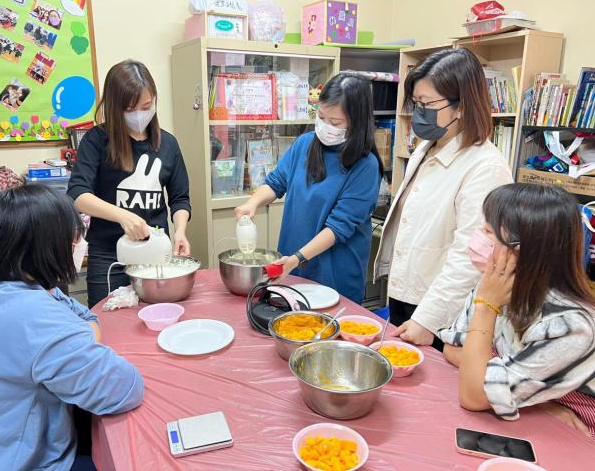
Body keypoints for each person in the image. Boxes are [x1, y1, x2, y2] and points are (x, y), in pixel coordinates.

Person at [0, 184, 144, 470]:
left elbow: (79, 314)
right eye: (74, 238)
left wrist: (82, 332)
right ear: (47, 247)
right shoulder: (33, 317)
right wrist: (85, 335)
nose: (78, 245)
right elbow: (124, 389)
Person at [374, 48, 512, 349]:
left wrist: (428, 319)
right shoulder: (427, 148)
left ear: (461, 106)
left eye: (426, 104)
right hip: (407, 292)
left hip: (442, 310)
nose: (418, 112)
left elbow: (469, 258)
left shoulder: (485, 168)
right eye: (416, 103)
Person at [440, 184, 595, 438]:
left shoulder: (570, 325)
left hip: (575, 437)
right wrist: (535, 400)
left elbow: (473, 395)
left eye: (488, 232)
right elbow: (452, 347)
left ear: (526, 250)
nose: (478, 237)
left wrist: (486, 308)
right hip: (527, 417)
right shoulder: (496, 282)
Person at [236, 73, 381, 303]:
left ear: (357, 122)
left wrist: (297, 258)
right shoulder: (305, 144)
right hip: (292, 266)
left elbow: (338, 228)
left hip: (335, 275)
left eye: (335, 123)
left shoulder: (366, 166)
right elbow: (276, 182)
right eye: (321, 117)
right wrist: (252, 202)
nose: (325, 126)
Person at [68, 60, 191, 307]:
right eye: (129, 109)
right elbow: (78, 194)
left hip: (156, 255)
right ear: (115, 108)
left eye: (146, 106)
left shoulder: (168, 144)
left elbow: (180, 199)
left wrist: (180, 231)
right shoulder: (96, 141)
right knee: (107, 319)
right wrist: (123, 216)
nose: (139, 115)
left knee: (157, 316)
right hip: (109, 257)